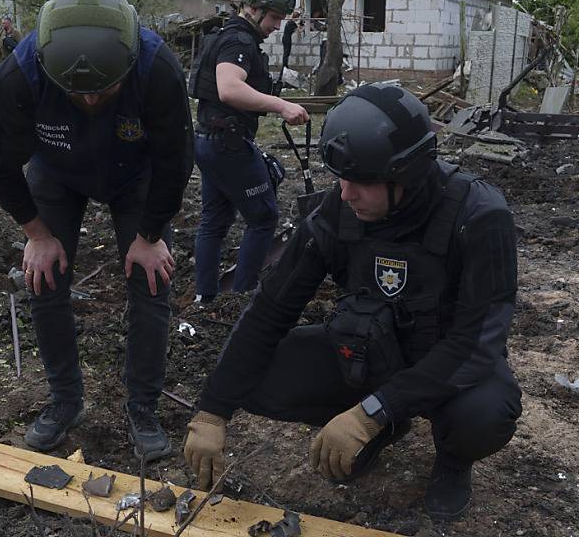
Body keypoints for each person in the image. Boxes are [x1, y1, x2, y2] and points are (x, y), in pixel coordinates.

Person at [183, 84, 523, 521]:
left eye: (360, 181)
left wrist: (371, 411)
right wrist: (213, 410)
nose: (345, 194)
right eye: (341, 179)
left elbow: (475, 346)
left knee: (486, 413)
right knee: (257, 377)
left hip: (448, 366)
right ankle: (384, 428)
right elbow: (271, 309)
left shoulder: (478, 216)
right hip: (371, 353)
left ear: (406, 175)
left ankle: (451, 460)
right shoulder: (340, 210)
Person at [0, 0, 194, 460]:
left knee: (152, 282)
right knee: (44, 278)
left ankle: (143, 406)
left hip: (137, 175)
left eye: (106, 90)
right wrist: (36, 234)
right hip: (56, 172)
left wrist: (150, 234)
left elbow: (177, 161)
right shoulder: (15, 78)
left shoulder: (158, 69)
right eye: (78, 93)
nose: (92, 102)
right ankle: (65, 401)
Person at [187, 0, 309, 302]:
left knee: (215, 218)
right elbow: (229, 88)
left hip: (209, 141)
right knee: (264, 216)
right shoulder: (238, 41)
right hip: (227, 144)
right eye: (274, 18)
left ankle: (205, 297)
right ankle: (243, 295)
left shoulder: (226, 35)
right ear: (254, 8)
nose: (275, 26)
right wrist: (281, 105)